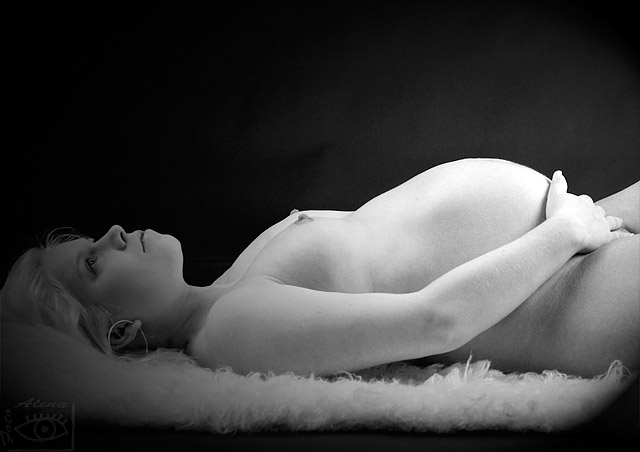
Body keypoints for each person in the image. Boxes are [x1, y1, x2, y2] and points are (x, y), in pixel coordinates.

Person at [1, 158, 638, 381]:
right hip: (564, 295)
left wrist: (571, 224)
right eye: (92, 262)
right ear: (119, 334)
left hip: (573, 236)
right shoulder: (232, 328)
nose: (112, 233)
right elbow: (435, 321)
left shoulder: (225, 291)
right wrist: (562, 232)